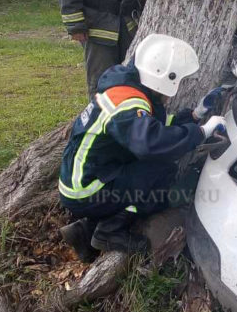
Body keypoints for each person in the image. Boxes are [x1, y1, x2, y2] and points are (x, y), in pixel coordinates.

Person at [58, 34, 226, 262]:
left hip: (86, 182)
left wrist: (195, 115)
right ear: (164, 79)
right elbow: (153, 143)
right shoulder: (127, 104)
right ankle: (110, 230)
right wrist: (202, 132)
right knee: (161, 174)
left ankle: (86, 230)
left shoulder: (127, 90)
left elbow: (155, 128)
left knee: (149, 173)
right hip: (87, 190)